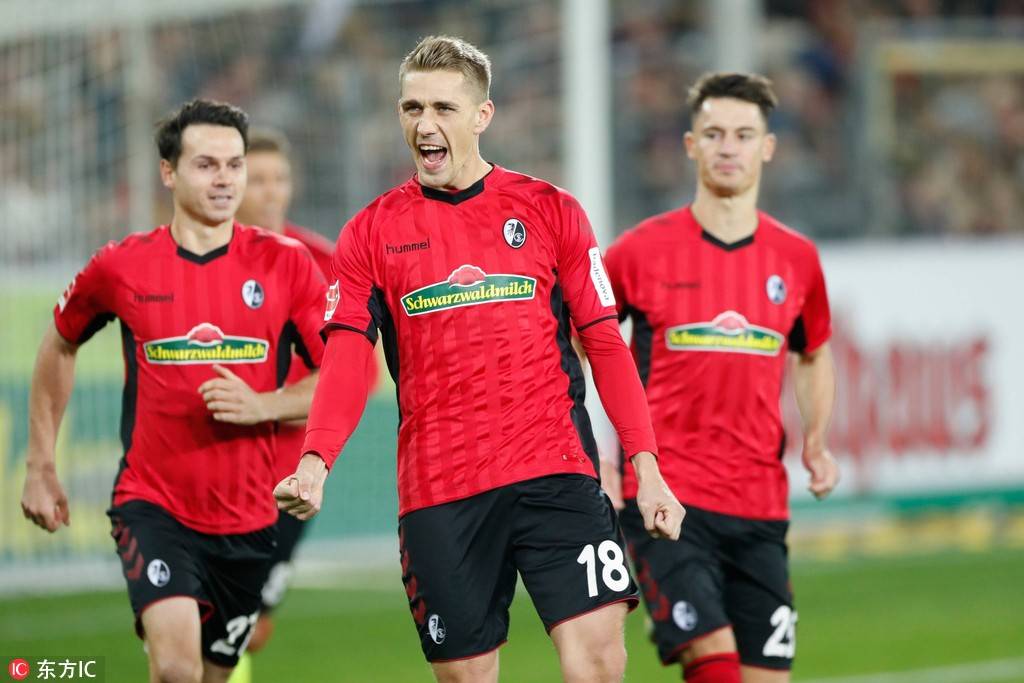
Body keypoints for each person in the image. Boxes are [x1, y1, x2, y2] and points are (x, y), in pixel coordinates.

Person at [274, 35, 684, 683]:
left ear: (482, 115)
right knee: (466, 675)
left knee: (600, 661)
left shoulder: (550, 210)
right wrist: (315, 459)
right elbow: (348, 357)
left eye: (443, 107)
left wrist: (646, 467)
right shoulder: (370, 232)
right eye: (412, 108)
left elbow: (606, 343)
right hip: (441, 489)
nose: (424, 124)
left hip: (555, 470)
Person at [20, 99, 326, 683]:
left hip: (249, 517)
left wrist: (264, 405)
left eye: (234, 165)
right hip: (153, 504)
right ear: (169, 172)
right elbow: (59, 343)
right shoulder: (121, 266)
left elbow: (341, 377)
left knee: (212, 675)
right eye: (206, 165)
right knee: (177, 670)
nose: (225, 180)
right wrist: (40, 464)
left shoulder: (287, 265)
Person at [602, 72, 839, 683]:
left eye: (742, 134)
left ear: (767, 147)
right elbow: (579, 341)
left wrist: (816, 441)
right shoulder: (639, 252)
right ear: (691, 145)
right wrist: (593, 451)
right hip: (666, 499)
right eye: (713, 134)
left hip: (760, 503)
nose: (727, 147)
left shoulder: (797, 259)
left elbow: (813, 353)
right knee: (714, 661)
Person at [234, 127, 378, 662]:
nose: (271, 192)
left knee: (250, 624)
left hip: (288, 475)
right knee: (194, 619)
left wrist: (273, 405)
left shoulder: (321, 260)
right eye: (258, 179)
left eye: (280, 179)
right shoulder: (203, 259)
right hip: (214, 463)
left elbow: (361, 374)